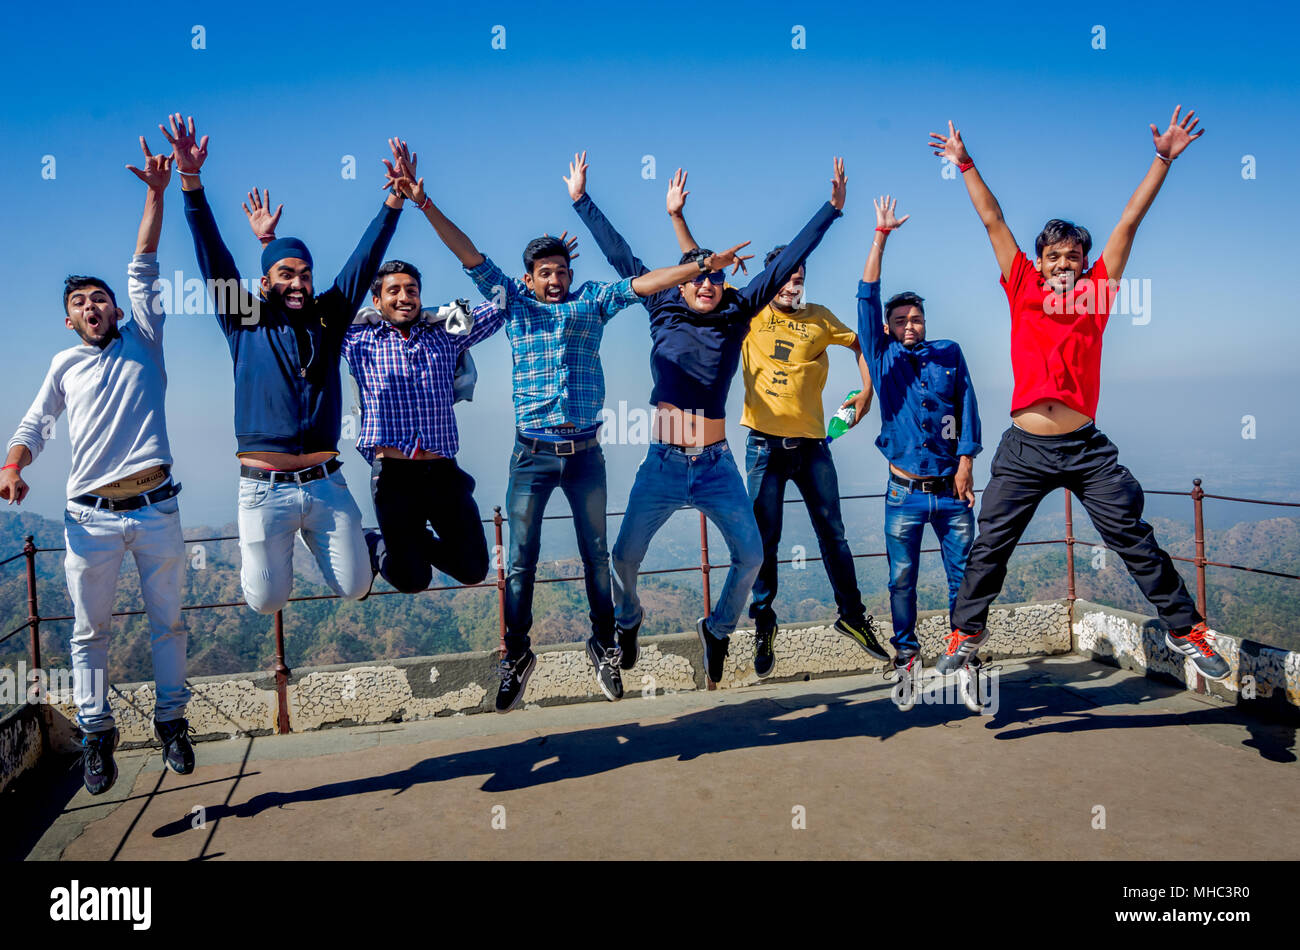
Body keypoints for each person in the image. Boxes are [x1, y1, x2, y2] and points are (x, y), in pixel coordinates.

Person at [386, 163, 750, 710]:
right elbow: (469, 255)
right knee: (519, 561)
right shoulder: (515, 304)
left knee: (596, 555)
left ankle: (604, 645)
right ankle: (517, 655)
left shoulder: (591, 303)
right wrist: (424, 202)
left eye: (560, 270)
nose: (554, 280)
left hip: (585, 456)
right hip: (530, 455)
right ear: (529, 278)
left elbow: (642, 283)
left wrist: (699, 266)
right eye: (545, 273)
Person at [929, 107, 1229, 682]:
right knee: (990, 543)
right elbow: (993, 221)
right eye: (1055, 257)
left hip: (1086, 448)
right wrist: (965, 163)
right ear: (1039, 263)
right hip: (1024, 448)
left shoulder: (1097, 292)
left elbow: (1128, 223)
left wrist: (1162, 159)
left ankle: (1187, 629)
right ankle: (966, 630)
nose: (1064, 264)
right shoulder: (1021, 286)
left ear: (1085, 264)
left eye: (1073, 257)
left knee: (1133, 538)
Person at [567, 152, 847, 686]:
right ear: (686, 280)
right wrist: (582, 201)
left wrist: (831, 210)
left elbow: (786, 260)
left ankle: (717, 630)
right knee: (623, 559)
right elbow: (620, 257)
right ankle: (628, 620)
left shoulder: (738, 311)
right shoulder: (661, 306)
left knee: (750, 556)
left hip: (717, 467)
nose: (707, 284)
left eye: (715, 278)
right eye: (699, 276)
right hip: (663, 465)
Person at [2, 138, 194, 794]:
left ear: (117, 308)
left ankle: (172, 723)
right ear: (68, 319)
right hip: (89, 518)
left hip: (158, 507)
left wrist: (157, 193)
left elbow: (144, 262)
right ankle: (96, 734)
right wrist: (14, 462)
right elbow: (34, 424)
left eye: (101, 297)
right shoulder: (64, 365)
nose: (94, 305)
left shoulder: (145, 337)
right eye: (81, 301)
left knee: (169, 621)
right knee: (90, 632)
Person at [165, 114, 407, 615]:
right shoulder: (244, 318)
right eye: (285, 274)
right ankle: (281, 555)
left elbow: (365, 261)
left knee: (356, 587)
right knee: (266, 601)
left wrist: (394, 201)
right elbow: (212, 255)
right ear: (266, 281)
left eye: (304, 274)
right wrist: (191, 183)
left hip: (326, 482)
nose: (297, 283)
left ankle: (362, 539)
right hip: (263, 489)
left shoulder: (330, 317)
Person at [661, 168, 886, 678]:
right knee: (764, 544)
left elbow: (865, 347)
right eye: (787, 277)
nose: (794, 284)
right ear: (772, 282)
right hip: (763, 445)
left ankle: (851, 616)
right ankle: (764, 626)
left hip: (813, 447)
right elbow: (704, 273)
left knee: (835, 534)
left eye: (800, 277)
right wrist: (678, 217)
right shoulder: (749, 311)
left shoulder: (823, 317)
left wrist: (866, 391)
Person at [855, 195, 982, 707]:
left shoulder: (950, 353)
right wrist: (880, 237)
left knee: (965, 580)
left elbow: (969, 405)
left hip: (952, 490)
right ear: (888, 327)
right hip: (903, 491)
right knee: (900, 581)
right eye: (902, 318)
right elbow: (866, 296)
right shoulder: (883, 357)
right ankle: (907, 658)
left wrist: (968, 461)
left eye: (917, 318)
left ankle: (967, 659)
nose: (912, 324)